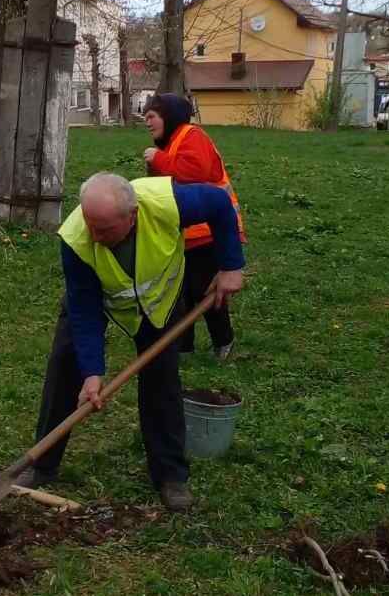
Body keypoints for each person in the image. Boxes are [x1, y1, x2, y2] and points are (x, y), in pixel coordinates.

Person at [15, 172, 245, 511]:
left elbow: (220, 204)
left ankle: (170, 475)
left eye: (105, 229)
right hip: (102, 298)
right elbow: (83, 307)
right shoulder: (76, 237)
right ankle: (42, 464)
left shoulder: (169, 203)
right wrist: (92, 371)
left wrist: (231, 266)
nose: (95, 234)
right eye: (91, 224)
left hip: (160, 303)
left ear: (132, 215)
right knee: (67, 366)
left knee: (161, 378)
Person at [142, 94, 245, 361]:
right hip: (183, 234)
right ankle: (183, 346)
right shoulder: (171, 144)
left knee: (205, 290)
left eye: (152, 116)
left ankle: (224, 341)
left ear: (169, 115)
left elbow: (195, 172)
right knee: (179, 292)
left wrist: (158, 159)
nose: (147, 123)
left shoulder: (192, 135)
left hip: (207, 232)